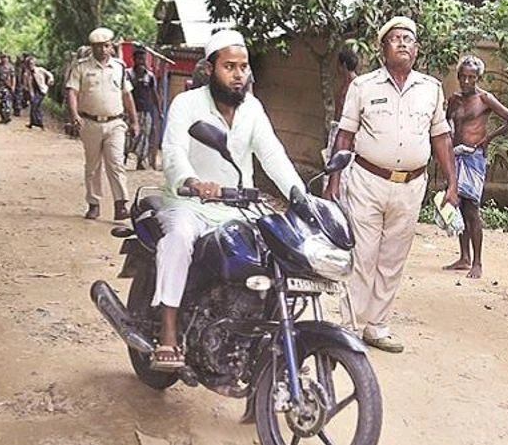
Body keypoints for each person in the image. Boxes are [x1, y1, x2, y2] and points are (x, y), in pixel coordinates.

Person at [150, 29, 304, 370]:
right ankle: (168, 331)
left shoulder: (252, 109)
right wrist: (192, 182)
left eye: (243, 67)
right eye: (229, 67)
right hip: (190, 204)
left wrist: (301, 197)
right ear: (210, 69)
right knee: (179, 238)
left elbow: (273, 156)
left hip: (239, 207)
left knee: (280, 246)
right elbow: (173, 151)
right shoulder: (187, 104)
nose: (238, 75)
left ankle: (267, 333)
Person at [324, 16, 458, 353]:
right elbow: (345, 135)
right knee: (363, 255)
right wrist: (334, 180)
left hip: (411, 186)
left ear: (416, 49)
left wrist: (452, 183)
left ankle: (377, 327)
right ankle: (349, 328)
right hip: (367, 181)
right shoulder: (363, 86)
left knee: (393, 259)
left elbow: (441, 137)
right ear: (382, 48)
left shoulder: (431, 88)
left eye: (408, 39)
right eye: (395, 38)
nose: (402, 43)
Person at [443, 55, 508, 279]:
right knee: (458, 206)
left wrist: (488, 138)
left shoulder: (485, 98)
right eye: (463, 77)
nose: (467, 81)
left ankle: (477, 262)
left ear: (478, 78)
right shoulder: (454, 99)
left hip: (474, 158)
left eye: (472, 77)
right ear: (458, 76)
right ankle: (464, 257)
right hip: (456, 156)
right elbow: (447, 123)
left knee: (472, 209)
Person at [66, 27, 139, 220]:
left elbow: (127, 95)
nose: (102, 50)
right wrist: (74, 114)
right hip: (90, 123)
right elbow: (72, 92)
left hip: (115, 123)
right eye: (98, 46)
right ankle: (94, 203)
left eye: (106, 46)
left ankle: (121, 204)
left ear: (111, 46)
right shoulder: (81, 67)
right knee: (93, 166)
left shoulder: (119, 67)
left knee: (116, 163)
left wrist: (134, 121)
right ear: (92, 47)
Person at [323, 49, 359, 203]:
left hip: (345, 135)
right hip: (338, 132)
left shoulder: (355, 86)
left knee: (342, 173)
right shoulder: (347, 84)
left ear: (343, 65)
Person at [127, 48, 163, 170]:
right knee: (128, 134)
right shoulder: (128, 74)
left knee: (144, 136)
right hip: (130, 111)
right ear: (134, 59)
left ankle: (140, 161)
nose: (141, 61)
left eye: (143, 59)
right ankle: (123, 158)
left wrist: (159, 111)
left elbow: (154, 94)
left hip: (146, 111)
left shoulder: (150, 76)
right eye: (139, 59)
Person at [24, 55, 55, 130]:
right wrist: (27, 92)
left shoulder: (40, 70)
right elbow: (26, 84)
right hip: (33, 92)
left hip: (41, 91)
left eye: (32, 63)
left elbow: (49, 74)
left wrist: (50, 80)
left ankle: (39, 123)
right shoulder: (26, 74)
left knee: (35, 105)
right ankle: (33, 122)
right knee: (34, 106)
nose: (30, 65)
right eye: (29, 64)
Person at [0, 53, 16, 123]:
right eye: (3, 58)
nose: (4, 59)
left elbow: (13, 77)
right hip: (0, 87)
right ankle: (3, 117)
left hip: (8, 87)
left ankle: (7, 116)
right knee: (0, 102)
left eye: (5, 58)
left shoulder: (11, 67)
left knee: (7, 102)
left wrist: (13, 86)